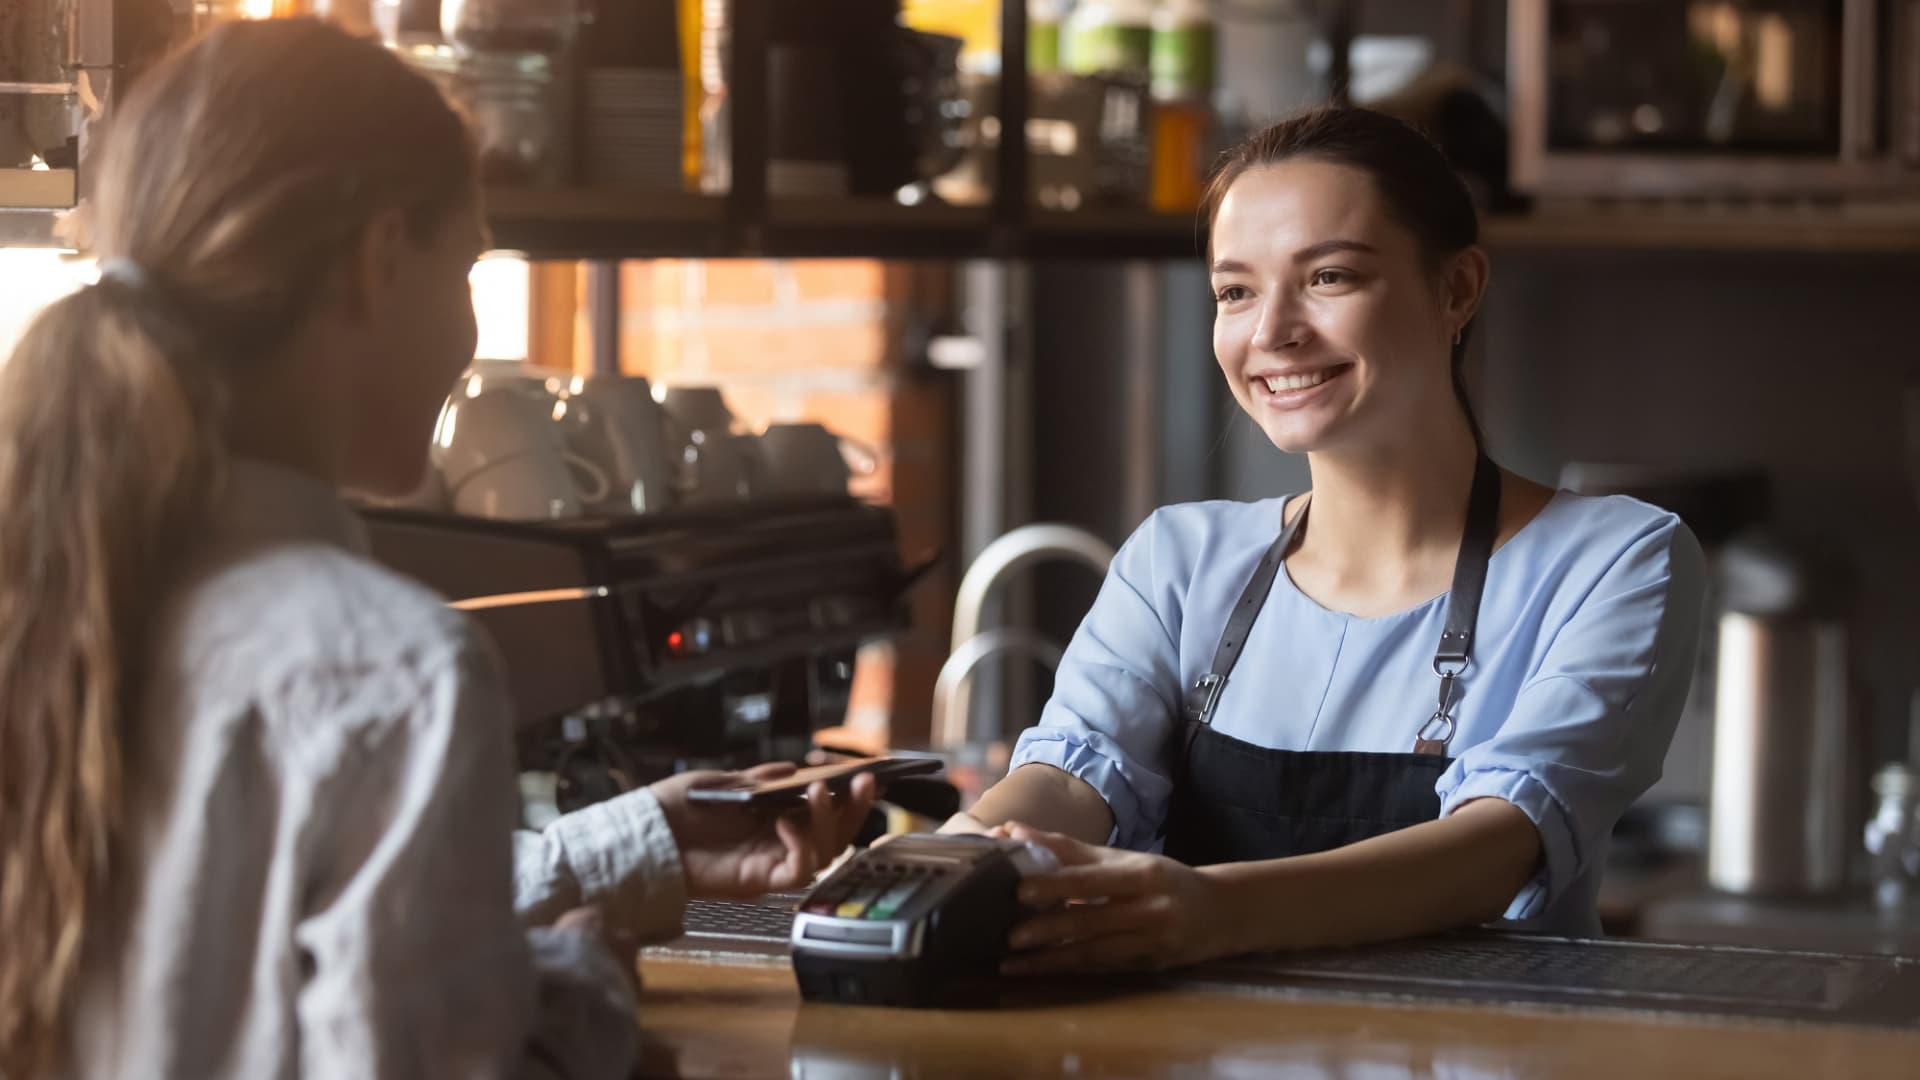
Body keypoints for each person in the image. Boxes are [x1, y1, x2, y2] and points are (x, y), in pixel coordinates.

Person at [0, 19, 871, 1080]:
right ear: (378, 262)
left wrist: (633, 844)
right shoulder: (396, 669)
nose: (468, 337)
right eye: (466, 269)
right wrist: (578, 993)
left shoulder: (47, 592)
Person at [946, 106, 1706, 974]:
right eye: (1235, 291)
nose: (1271, 333)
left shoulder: (1614, 560)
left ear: (1456, 289)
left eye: (1330, 277)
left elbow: (1498, 846)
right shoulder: (1177, 560)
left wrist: (1212, 910)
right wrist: (952, 861)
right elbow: (1074, 777)